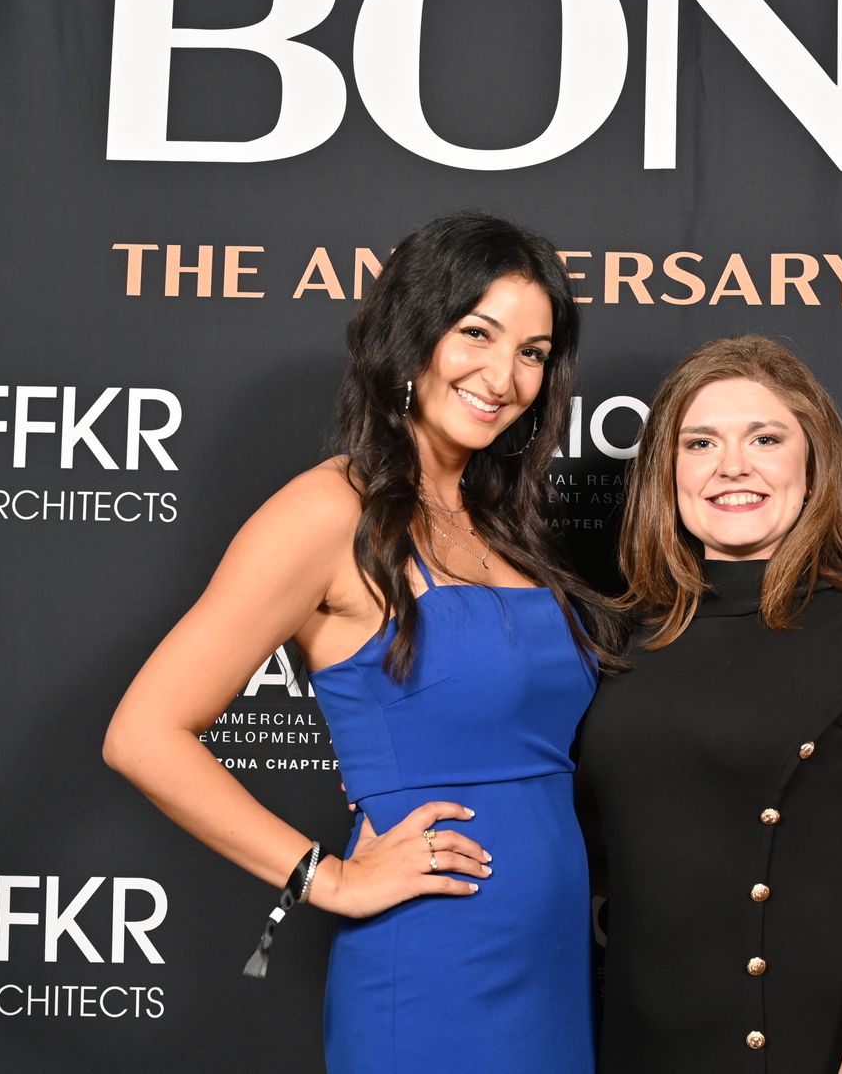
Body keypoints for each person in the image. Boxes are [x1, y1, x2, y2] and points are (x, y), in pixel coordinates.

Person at [103, 212, 626, 1074]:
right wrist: (330, 877)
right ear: (412, 329)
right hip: (430, 960)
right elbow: (142, 733)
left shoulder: (503, 522)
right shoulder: (328, 510)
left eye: (533, 352)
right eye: (477, 333)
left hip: (551, 962)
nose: (504, 377)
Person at [580, 335, 842, 1073]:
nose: (732, 465)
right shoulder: (615, 639)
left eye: (765, 438)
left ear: (812, 467)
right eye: (700, 442)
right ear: (666, 473)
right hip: (637, 1045)